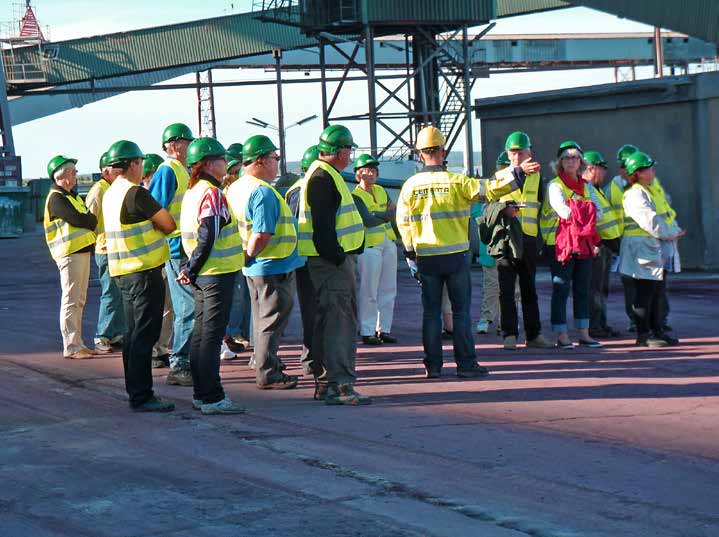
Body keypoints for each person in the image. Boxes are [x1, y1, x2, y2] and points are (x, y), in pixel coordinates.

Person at [396, 126, 519, 379]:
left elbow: (404, 223)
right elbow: (492, 189)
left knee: (431, 313)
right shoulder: (457, 182)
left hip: (427, 257)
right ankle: (466, 365)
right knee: (460, 312)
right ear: (444, 152)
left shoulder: (410, 186)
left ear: (420, 155)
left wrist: (410, 255)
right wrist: (517, 174)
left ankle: (433, 366)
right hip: (456, 256)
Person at [297, 125, 371, 405]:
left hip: (327, 262)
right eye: (349, 149)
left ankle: (327, 382)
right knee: (339, 323)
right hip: (331, 264)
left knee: (328, 321)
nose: (351, 154)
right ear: (340, 151)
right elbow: (324, 230)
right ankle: (340, 386)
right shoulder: (322, 179)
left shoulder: (324, 175)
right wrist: (339, 258)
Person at [103, 140, 176, 412]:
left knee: (133, 336)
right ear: (133, 164)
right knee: (145, 336)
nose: (142, 166)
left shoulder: (111, 193)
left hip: (123, 273)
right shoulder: (136, 193)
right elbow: (168, 224)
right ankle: (143, 395)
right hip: (144, 272)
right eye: (141, 162)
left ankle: (135, 391)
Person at [226, 134, 302, 389]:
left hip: (255, 266)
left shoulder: (236, 187)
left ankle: (266, 362)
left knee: (261, 318)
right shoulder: (262, 192)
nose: (277, 163)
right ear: (259, 161)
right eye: (274, 158)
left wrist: (245, 259)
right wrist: (250, 255)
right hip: (272, 264)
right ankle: (267, 372)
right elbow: (261, 233)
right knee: (271, 320)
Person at [176, 137, 245, 414]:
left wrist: (190, 270)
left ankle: (202, 394)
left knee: (202, 335)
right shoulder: (212, 193)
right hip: (215, 273)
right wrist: (192, 269)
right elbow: (208, 234)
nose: (225, 164)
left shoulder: (193, 192)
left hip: (203, 273)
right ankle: (213, 397)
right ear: (207, 164)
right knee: (211, 337)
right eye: (221, 159)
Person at [486, 133, 552, 350]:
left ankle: (533, 335)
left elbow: (542, 207)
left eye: (520, 152)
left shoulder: (537, 177)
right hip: (507, 239)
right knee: (506, 290)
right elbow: (489, 207)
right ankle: (509, 334)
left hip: (529, 239)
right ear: (507, 153)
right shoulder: (500, 176)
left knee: (529, 289)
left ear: (529, 153)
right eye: (513, 152)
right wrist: (504, 210)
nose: (516, 156)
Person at [539, 141, 602, 349]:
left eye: (575, 157)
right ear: (559, 162)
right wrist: (586, 209)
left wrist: (578, 207)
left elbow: (598, 212)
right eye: (566, 157)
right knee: (561, 290)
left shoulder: (587, 186)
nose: (571, 161)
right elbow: (563, 211)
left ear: (581, 162)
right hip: (560, 245)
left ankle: (584, 333)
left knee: (583, 289)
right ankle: (562, 335)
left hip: (583, 245)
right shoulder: (555, 185)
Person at [619, 152, 684, 347]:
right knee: (645, 291)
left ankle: (656, 330)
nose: (653, 171)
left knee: (655, 291)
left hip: (648, 247)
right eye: (649, 168)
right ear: (638, 173)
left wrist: (670, 232)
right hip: (641, 248)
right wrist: (670, 233)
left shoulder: (644, 190)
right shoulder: (635, 193)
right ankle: (643, 335)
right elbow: (650, 221)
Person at [149, 123, 195, 387]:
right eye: (187, 142)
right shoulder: (168, 171)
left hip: (185, 247)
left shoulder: (182, 171)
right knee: (186, 307)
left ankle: (182, 359)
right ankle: (180, 364)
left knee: (185, 306)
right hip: (177, 249)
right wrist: (171, 235)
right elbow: (155, 209)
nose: (190, 147)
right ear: (174, 144)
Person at [44, 155, 97, 359]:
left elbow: (88, 219)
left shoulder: (71, 197)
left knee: (79, 300)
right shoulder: (57, 198)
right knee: (71, 300)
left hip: (80, 252)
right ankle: (71, 346)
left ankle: (78, 343)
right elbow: (79, 218)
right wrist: (89, 220)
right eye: (73, 172)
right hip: (69, 254)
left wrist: (88, 219)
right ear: (62, 175)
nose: (76, 175)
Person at [351, 154, 398, 346]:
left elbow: (391, 213)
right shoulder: (356, 196)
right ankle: (367, 330)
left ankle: (384, 329)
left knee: (388, 288)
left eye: (374, 170)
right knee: (369, 290)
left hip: (388, 242)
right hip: (370, 245)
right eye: (367, 170)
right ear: (358, 174)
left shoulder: (381, 190)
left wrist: (380, 215)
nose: (371, 173)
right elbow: (367, 221)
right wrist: (384, 214)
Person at [85, 151, 125, 353]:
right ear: (105, 171)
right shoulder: (99, 190)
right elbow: (90, 220)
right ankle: (102, 336)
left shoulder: (112, 188)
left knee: (119, 293)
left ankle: (116, 332)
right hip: (105, 248)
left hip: (116, 248)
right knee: (110, 293)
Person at [286, 144, 319, 377]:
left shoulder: (294, 189)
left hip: (304, 256)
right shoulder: (305, 189)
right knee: (314, 310)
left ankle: (313, 358)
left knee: (312, 310)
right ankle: (313, 360)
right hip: (310, 258)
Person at [582, 150, 622, 338]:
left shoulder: (596, 190)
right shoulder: (587, 190)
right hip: (596, 246)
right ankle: (594, 325)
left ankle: (600, 323)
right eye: (602, 168)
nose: (605, 172)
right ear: (591, 168)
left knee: (601, 288)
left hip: (605, 245)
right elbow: (589, 219)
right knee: (595, 288)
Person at [143, 153, 174, 368]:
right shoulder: (143, 199)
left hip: (164, 253)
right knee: (157, 307)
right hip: (153, 259)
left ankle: (161, 349)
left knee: (168, 307)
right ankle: (154, 350)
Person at [221, 145, 252, 358]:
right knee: (237, 296)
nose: (234, 176)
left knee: (246, 296)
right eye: (231, 172)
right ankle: (232, 333)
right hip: (235, 249)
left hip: (246, 247)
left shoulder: (241, 190)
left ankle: (242, 331)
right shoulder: (224, 194)